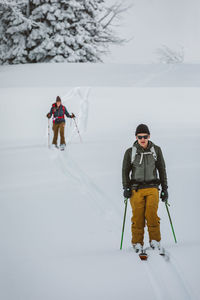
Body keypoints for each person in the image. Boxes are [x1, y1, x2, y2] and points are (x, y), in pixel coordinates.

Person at [122, 124, 168, 252]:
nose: (142, 139)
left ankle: (155, 240)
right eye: (140, 136)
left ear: (149, 136)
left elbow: (162, 170)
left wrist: (165, 189)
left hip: (152, 187)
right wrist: (126, 187)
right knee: (137, 217)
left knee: (152, 215)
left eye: (145, 136)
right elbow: (125, 171)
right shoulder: (130, 152)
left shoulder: (156, 150)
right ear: (136, 137)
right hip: (135, 190)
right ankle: (137, 242)